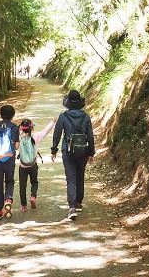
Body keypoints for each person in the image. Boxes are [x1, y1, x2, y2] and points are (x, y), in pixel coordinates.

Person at [51, 90, 95, 220]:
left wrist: (54, 150)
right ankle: (79, 203)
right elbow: (90, 136)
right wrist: (91, 152)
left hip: (68, 151)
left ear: (68, 102)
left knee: (71, 179)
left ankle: (72, 207)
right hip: (83, 151)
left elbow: (57, 134)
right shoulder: (86, 117)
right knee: (80, 175)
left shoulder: (63, 116)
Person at [17, 118, 56, 212]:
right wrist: (52, 122)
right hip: (33, 165)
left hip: (23, 166)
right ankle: (33, 197)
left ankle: (23, 205)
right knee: (34, 182)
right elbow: (45, 131)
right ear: (31, 128)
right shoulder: (36, 136)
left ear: (22, 129)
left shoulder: (19, 138)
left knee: (22, 185)